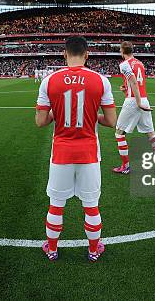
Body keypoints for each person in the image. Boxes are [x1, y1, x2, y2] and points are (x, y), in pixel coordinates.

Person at [35, 36, 117, 262]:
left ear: (64, 54)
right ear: (87, 54)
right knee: (91, 206)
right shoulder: (101, 81)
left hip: (61, 152)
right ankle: (93, 251)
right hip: (89, 152)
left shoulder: (49, 81)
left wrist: (56, 114)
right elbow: (111, 121)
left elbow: (41, 121)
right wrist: (93, 117)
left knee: (56, 205)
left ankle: (52, 249)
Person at [113, 41, 155, 175]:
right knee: (151, 133)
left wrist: (137, 101)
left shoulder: (124, 64)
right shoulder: (140, 63)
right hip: (144, 99)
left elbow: (134, 83)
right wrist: (126, 89)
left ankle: (125, 166)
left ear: (122, 51)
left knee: (119, 133)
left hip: (133, 101)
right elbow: (137, 83)